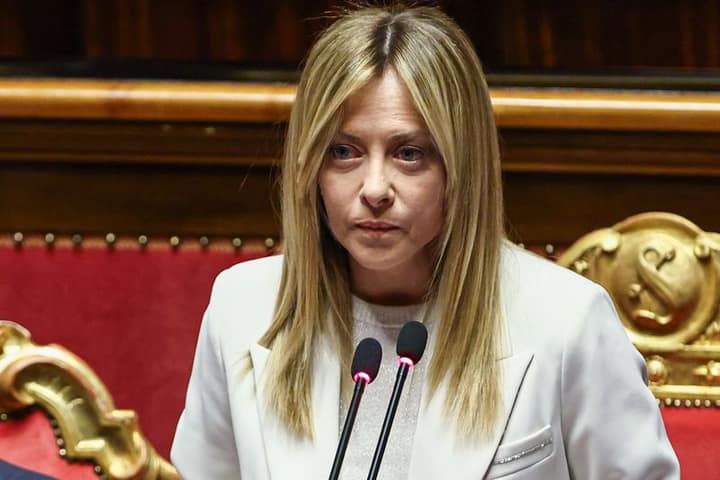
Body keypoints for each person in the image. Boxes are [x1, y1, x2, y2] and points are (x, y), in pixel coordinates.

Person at [171, 5, 679, 479]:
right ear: (311, 168)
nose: (374, 189)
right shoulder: (241, 308)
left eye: (409, 153)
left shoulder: (568, 321)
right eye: (344, 151)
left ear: (461, 166)